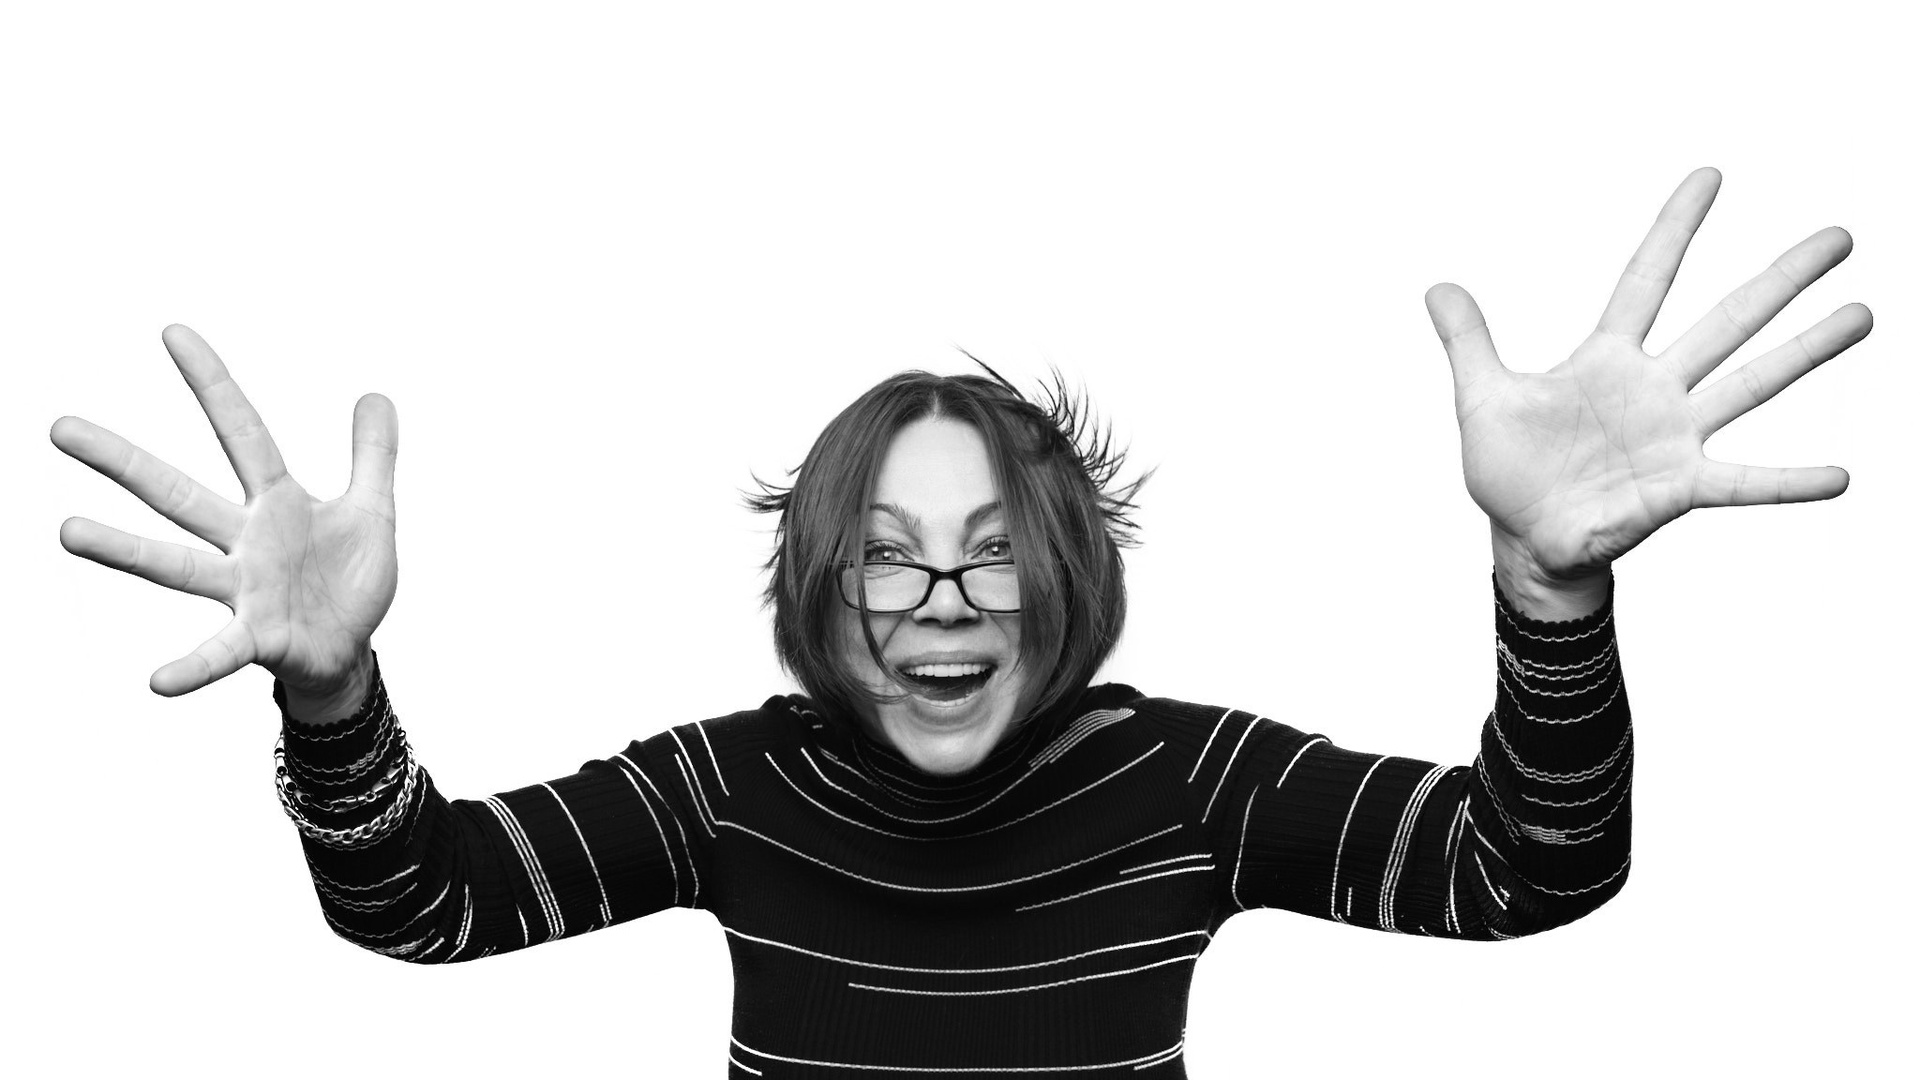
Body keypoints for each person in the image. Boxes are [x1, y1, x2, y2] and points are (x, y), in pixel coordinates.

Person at [51, 167, 1868, 1076]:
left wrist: (1552, 597)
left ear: (1065, 583)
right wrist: (335, 696)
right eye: (889, 557)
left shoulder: (1187, 784)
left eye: (995, 554)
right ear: (820, 590)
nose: (943, 604)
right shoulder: (731, 791)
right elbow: (425, 906)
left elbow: (1523, 872)